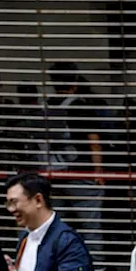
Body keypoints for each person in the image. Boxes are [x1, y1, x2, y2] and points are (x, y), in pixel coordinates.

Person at [45, 63, 111, 258]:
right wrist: (98, 170)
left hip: (54, 172)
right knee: (90, 223)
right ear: (75, 81)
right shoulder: (80, 106)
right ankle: (95, 266)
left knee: (59, 223)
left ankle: (63, 263)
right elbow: (93, 141)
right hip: (81, 173)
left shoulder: (49, 106)